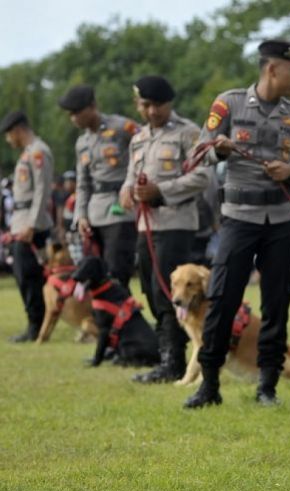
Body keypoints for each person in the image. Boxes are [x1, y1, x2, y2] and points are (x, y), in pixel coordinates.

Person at [183, 40, 290, 408]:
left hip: (281, 222)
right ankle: (209, 384)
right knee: (222, 301)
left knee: (276, 303)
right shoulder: (230, 103)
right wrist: (219, 149)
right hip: (239, 220)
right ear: (272, 69)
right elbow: (201, 152)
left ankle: (267, 385)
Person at [120, 76, 213, 384]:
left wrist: (161, 190)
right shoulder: (138, 137)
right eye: (145, 105)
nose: (151, 111)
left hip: (175, 223)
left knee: (169, 293)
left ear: (169, 103)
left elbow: (203, 177)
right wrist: (126, 190)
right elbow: (132, 175)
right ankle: (166, 355)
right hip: (146, 225)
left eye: (157, 105)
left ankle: (173, 361)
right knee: (148, 287)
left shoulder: (187, 133)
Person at [58, 84, 139, 289]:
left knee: (116, 273)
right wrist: (81, 216)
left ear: (93, 106)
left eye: (77, 112)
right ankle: (104, 320)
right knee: (96, 275)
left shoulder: (122, 127)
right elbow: (83, 183)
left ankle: (122, 319)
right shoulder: (82, 142)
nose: (74, 118)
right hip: (94, 214)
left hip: (121, 211)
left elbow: (147, 150)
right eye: (70, 114)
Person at [1, 111, 54, 343]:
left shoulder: (38, 152)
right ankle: (37, 322)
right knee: (25, 276)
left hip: (31, 225)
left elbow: (42, 191)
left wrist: (32, 225)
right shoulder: (28, 154)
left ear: (17, 130)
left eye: (8, 134)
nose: (7, 140)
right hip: (21, 221)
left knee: (29, 276)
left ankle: (36, 326)